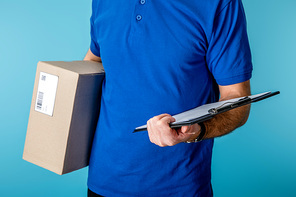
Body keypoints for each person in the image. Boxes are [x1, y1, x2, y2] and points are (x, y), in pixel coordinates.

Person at [84, 0, 253, 196]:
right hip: (103, 181)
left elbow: (237, 99)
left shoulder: (219, 4)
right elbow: (93, 61)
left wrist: (199, 130)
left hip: (179, 187)